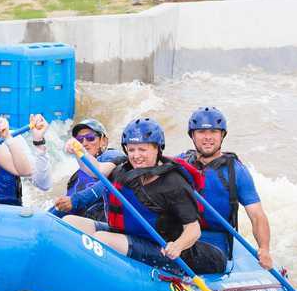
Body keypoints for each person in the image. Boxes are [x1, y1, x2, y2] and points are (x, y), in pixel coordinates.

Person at [63, 117, 226, 275]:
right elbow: (95, 169)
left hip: (161, 247)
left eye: (142, 149)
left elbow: (193, 229)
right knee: (70, 222)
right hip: (128, 234)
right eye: (132, 149)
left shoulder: (173, 183)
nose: (136, 155)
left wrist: (177, 246)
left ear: (157, 148)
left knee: (101, 239)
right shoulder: (121, 167)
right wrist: (79, 151)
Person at [179, 106, 274, 270]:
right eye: (201, 132)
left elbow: (257, 215)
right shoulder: (181, 163)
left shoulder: (236, 171)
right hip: (181, 236)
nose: (207, 137)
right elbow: (150, 163)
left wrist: (264, 249)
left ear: (222, 135)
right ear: (192, 136)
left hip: (215, 246)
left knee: (179, 252)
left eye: (214, 132)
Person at [53, 119, 123, 221]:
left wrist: (77, 200)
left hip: (96, 221)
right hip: (71, 222)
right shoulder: (76, 176)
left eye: (90, 138)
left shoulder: (112, 156)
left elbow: (109, 183)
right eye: (80, 140)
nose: (84, 144)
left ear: (103, 141)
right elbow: (63, 205)